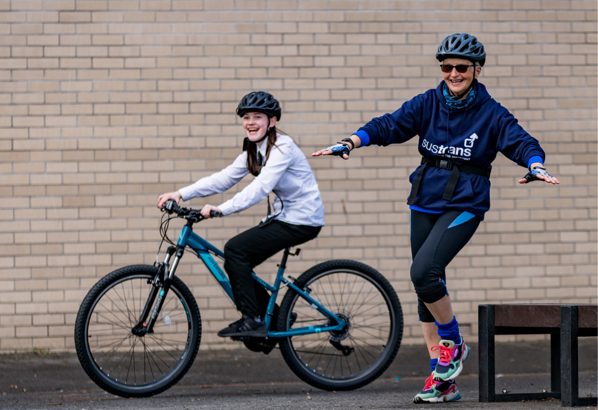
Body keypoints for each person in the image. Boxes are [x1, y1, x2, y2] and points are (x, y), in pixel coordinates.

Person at [312, 33, 559, 404]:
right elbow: (388, 125)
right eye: (447, 67)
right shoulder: (428, 102)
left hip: (465, 203)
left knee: (423, 272)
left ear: (477, 70)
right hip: (424, 200)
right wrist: (350, 142)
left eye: (461, 67)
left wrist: (535, 164)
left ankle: (455, 343)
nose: (454, 73)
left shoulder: (492, 113)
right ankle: (443, 380)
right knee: (425, 288)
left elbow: (522, 142)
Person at [158, 91, 325, 339]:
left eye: (258, 116)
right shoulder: (254, 149)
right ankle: (278, 319)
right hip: (284, 217)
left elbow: (261, 188)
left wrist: (222, 209)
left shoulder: (282, 147)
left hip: (302, 220)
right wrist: (182, 193)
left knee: (236, 250)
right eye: (247, 117)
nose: (251, 122)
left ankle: (254, 322)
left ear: (273, 121)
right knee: (237, 262)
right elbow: (224, 178)